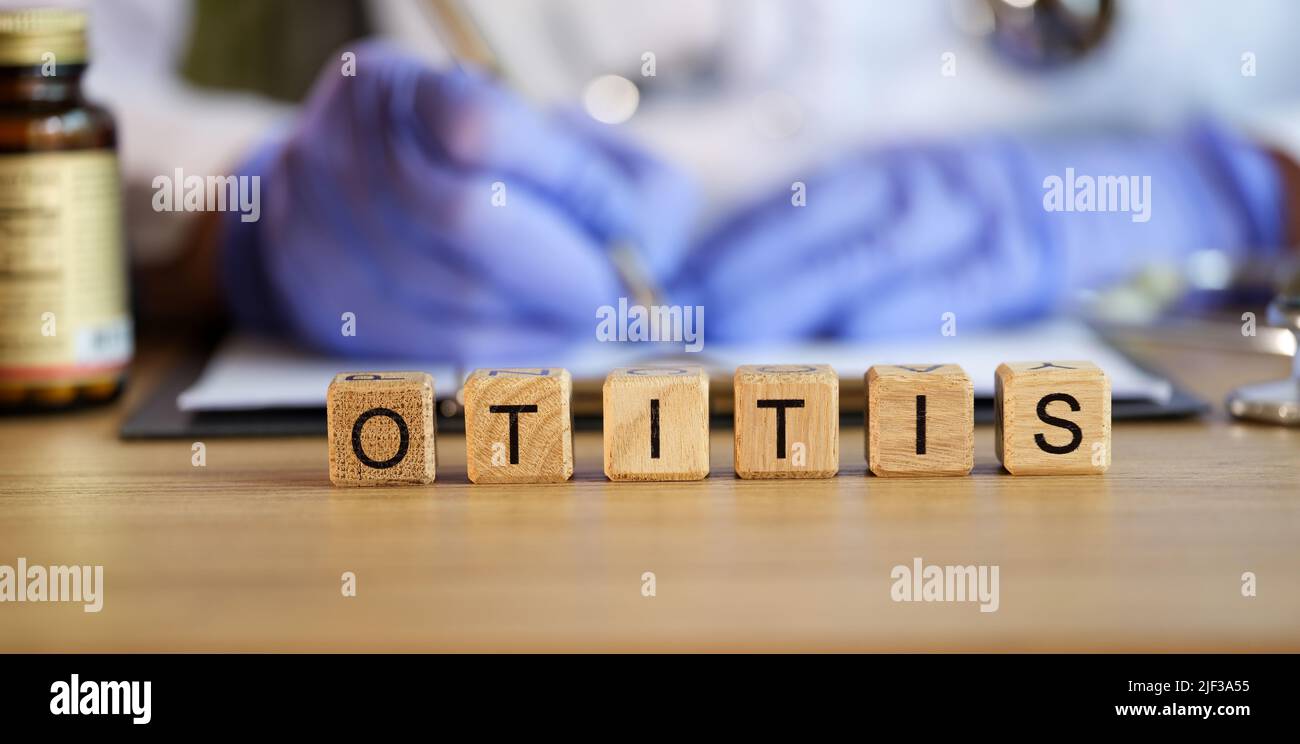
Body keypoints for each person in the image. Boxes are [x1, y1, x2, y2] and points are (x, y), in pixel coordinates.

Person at [46, 0, 1300, 358]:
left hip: (1200, 363)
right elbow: (41, 53)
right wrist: (244, 207)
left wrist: (1237, 184)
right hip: (481, 373)